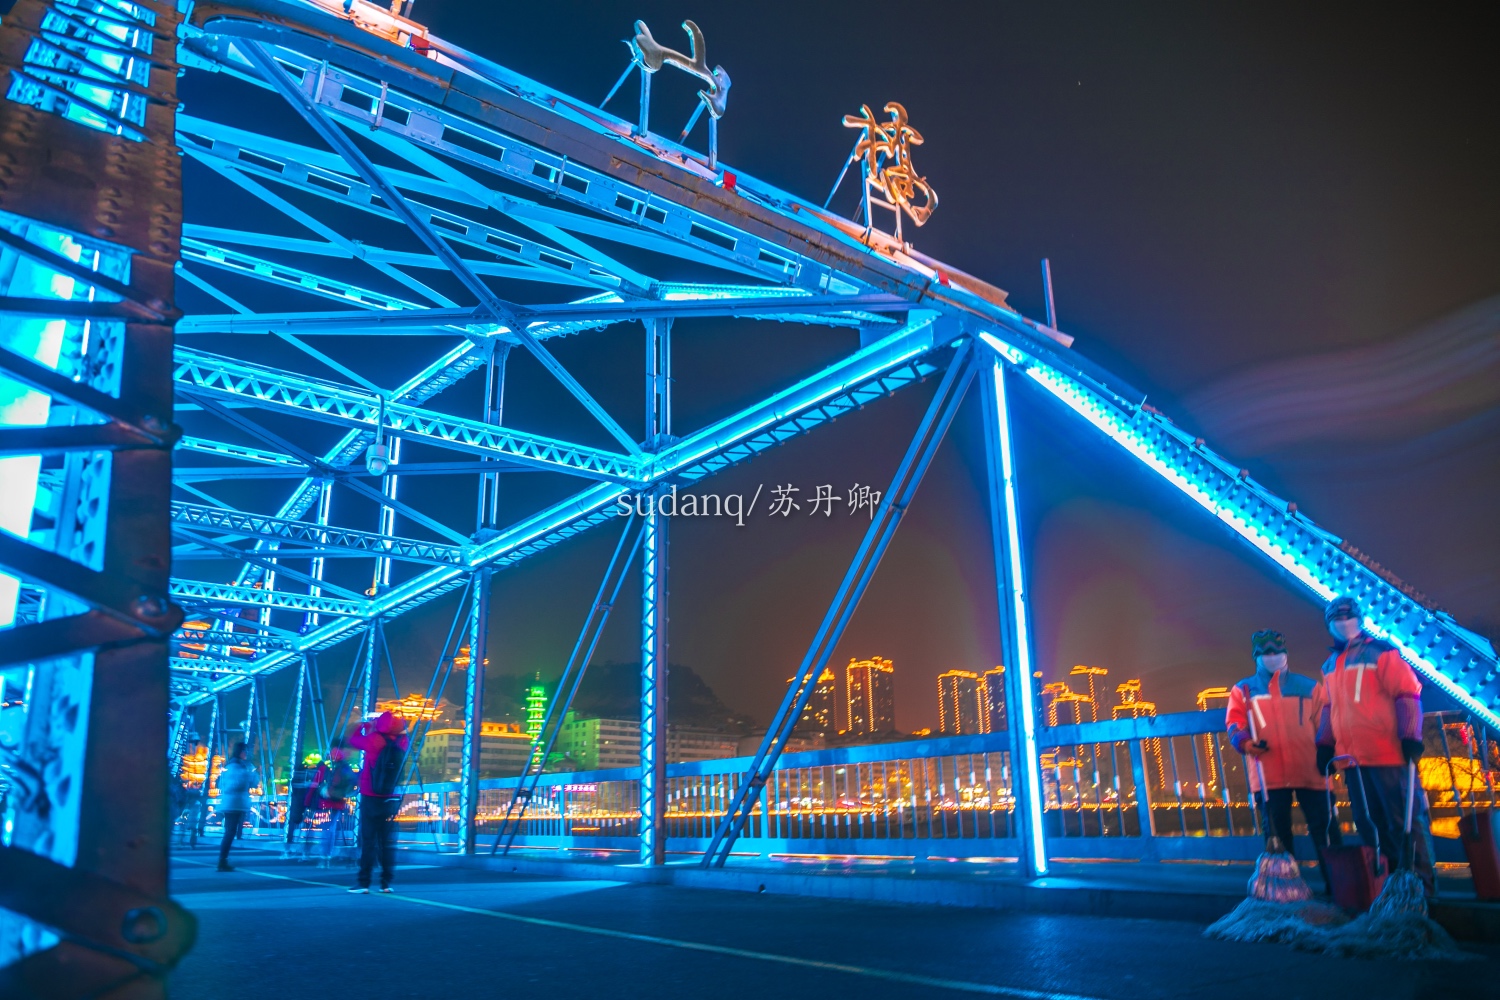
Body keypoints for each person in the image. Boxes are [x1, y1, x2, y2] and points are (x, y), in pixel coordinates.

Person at [1313, 595, 1434, 893]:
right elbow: (1329, 708)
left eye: (1348, 617)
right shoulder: (1329, 665)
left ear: (1360, 619)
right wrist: (1325, 745)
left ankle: (1421, 889)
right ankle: (1389, 887)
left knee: (1404, 822)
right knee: (1370, 825)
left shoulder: (1383, 653)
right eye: (1337, 619)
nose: (1343, 623)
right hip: (1352, 760)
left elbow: (1407, 692)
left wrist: (1409, 736)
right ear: (1330, 625)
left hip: (1387, 754)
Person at [1225, 629, 1341, 893]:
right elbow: (1234, 722)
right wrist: (1245, 742)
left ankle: (1339, 888)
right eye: (1266, 653)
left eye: (1277, 652)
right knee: (1277, 838)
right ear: (1256, 656)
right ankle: (1285, 893)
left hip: (1311, 769)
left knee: (1325, 832)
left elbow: (1326, 722)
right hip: (1268, 772)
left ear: (1286, 653)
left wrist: (1328, 750)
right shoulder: (1243, 690)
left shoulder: (1310, 687)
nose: (1273, 656)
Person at [346, 711, 409, 893]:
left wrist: (365, 725)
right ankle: (386, 883)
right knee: (387, 842)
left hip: (371, 796)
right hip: (390, 798)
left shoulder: (373, 740)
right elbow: (404, 729)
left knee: (368, 841)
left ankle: (364, 883)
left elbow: (352, 739)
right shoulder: (402, 742)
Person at [306, 742, 356, 868]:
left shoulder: (326, 766)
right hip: (338, 801)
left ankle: (324, 856)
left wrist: (307, 801)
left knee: (326, 829)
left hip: (326, 800)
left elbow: (315, 784)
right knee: (332, 828)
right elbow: (353, 782)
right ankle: (328, 855)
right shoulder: (345, 766)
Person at [215, 742, 257, 872]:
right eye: (245, 751)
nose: (247, 754)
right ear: (241, 752)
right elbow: (248, 783)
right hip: (234, 804)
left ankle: (223, 860)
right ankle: (222, 861)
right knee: (230, 832)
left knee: (230, 832)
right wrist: (250, 773)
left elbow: (220, 784)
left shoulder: (230, 766)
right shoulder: (237, 767)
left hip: (232, 803)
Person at [282, 752, 321, 859]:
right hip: (307, 801)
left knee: (295, 824)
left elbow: (293, 786)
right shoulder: (312, 775)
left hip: (298, 802)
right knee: (307, 827)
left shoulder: (296, 775)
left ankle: (292, 848)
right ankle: (304, 851)